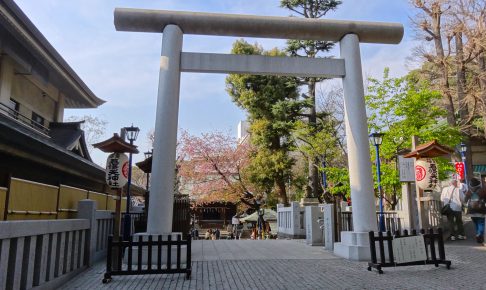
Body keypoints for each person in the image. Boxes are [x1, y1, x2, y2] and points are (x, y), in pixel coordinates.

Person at [441, 176, 467, 240]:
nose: (457, 184)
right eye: (457, 182)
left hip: (448, 208)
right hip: (457, 208)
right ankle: (460, 235)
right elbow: (463, 199)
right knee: (459, 222)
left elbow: (442, 199)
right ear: (455, 183)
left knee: (450, 222)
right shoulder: (458, 190)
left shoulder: (444, 189)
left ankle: (452, 236)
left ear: (450, 183)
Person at [465, 178, 486, 243]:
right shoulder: (483, 190)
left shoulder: (469, 191)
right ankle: (479, 234)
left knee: (476, 223)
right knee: (481, 223)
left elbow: (465, 200)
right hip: (481, 209)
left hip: (471, 210)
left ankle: (478, 235)